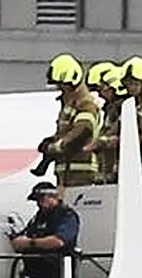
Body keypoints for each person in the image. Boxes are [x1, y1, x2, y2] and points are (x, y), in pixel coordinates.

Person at [37, 54, 100, 189]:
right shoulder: (69, 104)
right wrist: (52, 140)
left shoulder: (85, 103)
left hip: (80, 173)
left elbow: (83, 130)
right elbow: (67, 131)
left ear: (72, 82)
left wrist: (57, 146)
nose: (59, 88)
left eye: (61, 85)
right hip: (67, 172)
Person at [6, 181, 80, 278]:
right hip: (35, 276)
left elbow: (58, 241)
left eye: (40, 200)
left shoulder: (66, 215)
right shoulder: (38, 217)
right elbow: (25, 234)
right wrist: (17, 240)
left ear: (51, 197)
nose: (38, 204)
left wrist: (30, 243)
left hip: (57, 277)